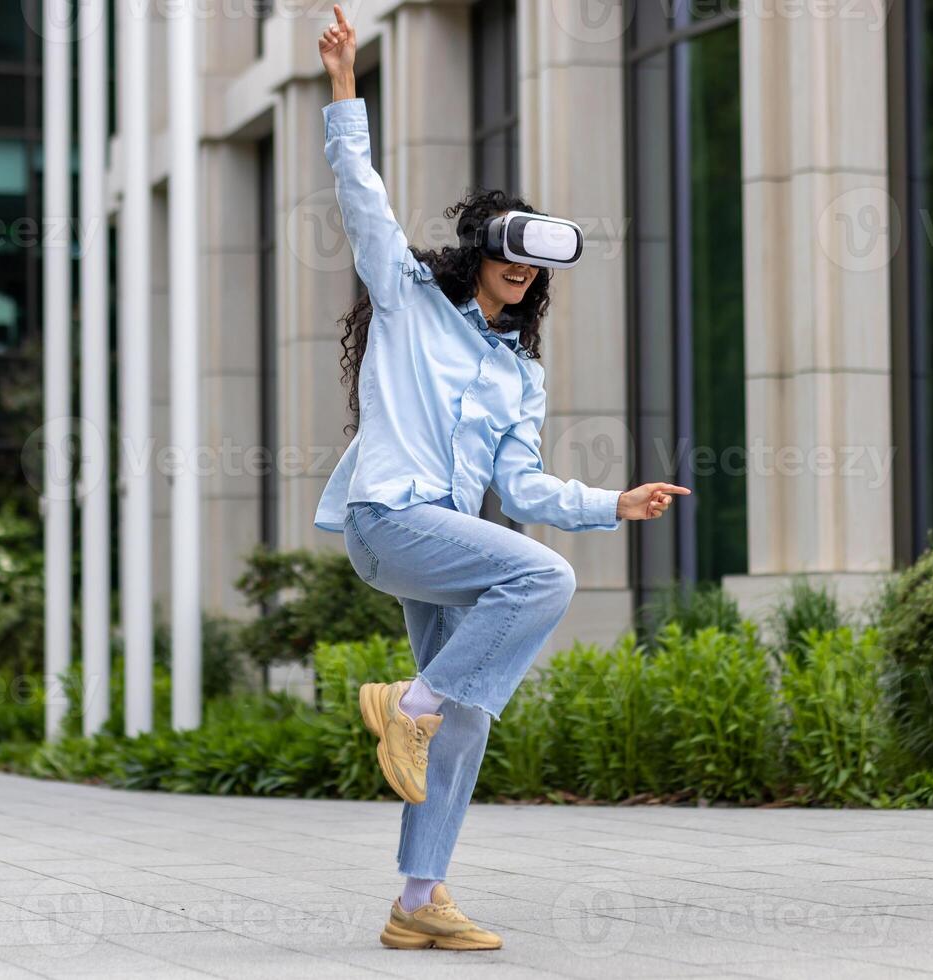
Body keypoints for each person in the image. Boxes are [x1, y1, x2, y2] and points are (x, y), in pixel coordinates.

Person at [315, 5, 690, 952]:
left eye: (534, 264)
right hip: (389, 520)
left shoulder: (523, 375)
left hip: (446, 546)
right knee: (545, 576)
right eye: (509, 253)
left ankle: (417, 902)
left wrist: (614, 502)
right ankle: (406, 705)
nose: (521, 271)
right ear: (480, 250)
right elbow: (362, 197)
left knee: (469, 713)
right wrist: (344, 88)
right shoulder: (407, 302)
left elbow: (520, 490)